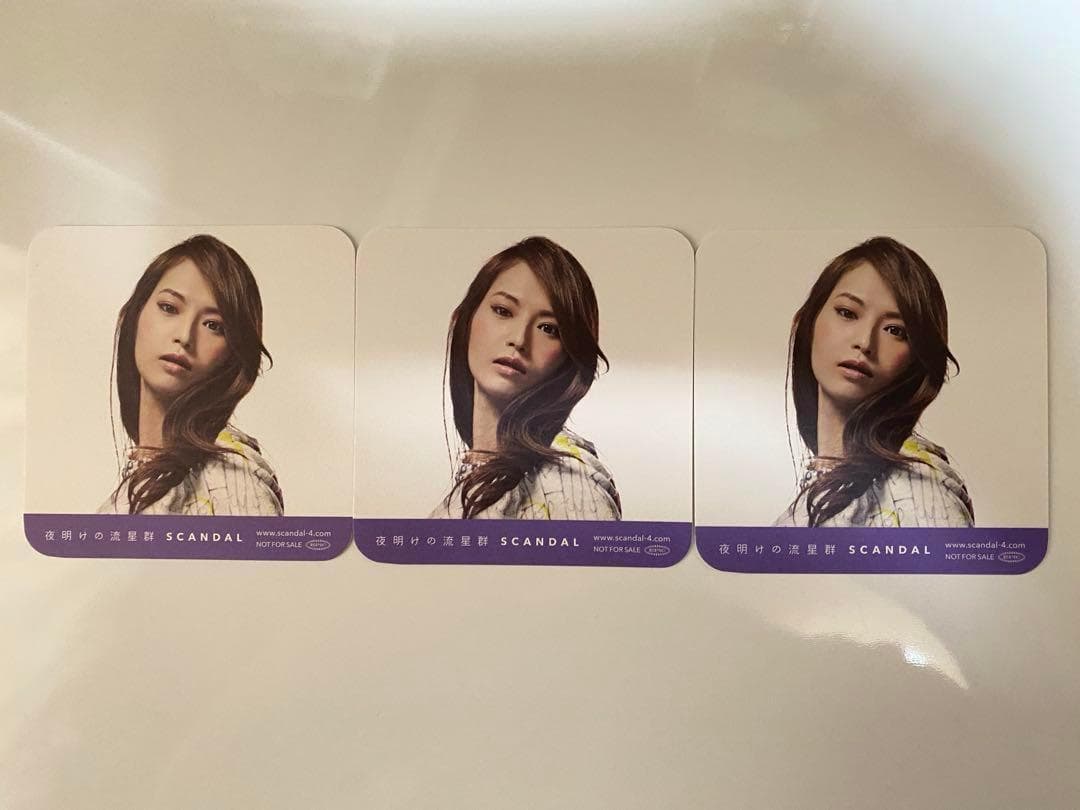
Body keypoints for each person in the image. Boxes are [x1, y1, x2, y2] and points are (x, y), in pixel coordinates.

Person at [775, 236, 973, 528]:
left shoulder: (917, 493)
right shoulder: (821, 494)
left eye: (895, 330)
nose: (865, 342)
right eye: (847, 313)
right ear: (807, 322)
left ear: (916, 358)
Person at [430, 236, 621, 520]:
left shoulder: (567, 484)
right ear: (464, 320)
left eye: (548, 328)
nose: (519, 340)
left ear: (568, 356)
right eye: (503, 311)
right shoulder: (475, 485)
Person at [99, 234, 284, 516]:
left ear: (232, 353)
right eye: (169, 308)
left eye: (213, 325)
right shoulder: (142, 481)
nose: (185, 336)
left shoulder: (230, 479)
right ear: (134, 316)